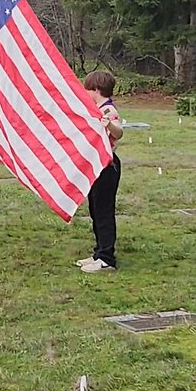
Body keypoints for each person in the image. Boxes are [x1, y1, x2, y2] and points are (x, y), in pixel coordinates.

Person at [77, 70, 124, 273]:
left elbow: (119, 132)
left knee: (104, 212)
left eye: (88, 89)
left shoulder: (108, 111)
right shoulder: (96, 108)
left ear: (96, 90)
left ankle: (107, 258)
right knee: (95, 211)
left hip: (107, 167)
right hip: (96, 166)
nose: (85, 93)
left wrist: (109, 125)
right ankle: (99, 252)